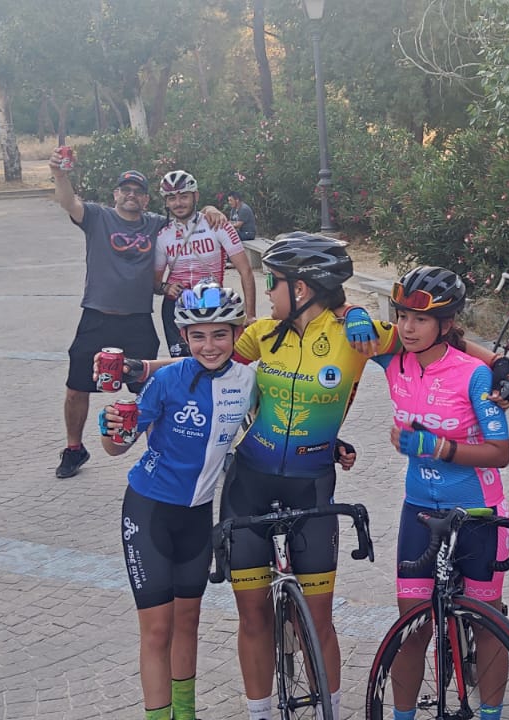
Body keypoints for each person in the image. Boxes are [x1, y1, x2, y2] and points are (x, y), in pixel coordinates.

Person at [222, 233, 396, 720]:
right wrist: (142, 370)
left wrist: (497, 369)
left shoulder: (355, 335)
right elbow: (206, 368)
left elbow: (432, 339)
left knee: (320, 620)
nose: (268, 292)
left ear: (302, 289)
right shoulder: (260, 334)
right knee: (252, 615)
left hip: (312, 485)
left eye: (273, 282)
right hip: (248, 484)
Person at [99, 283, 255, 720]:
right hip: (149, 510)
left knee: (188, 622)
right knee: (158, 629)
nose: (210, 345)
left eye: (220, 334)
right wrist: (111, 428)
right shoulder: (168, 380)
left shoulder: (247, 381)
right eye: (198, 336)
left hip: (197, 516)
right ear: (184, 337)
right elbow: (118, 448)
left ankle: (184, 715)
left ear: (236, 333)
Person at [380, 266, 509, 720]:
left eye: (419, 319)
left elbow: (500, 453)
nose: (407, 327)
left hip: (477, 510)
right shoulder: (393, 358)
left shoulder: (474, 376)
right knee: (412, 625)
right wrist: (357, 315)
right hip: (419, 509)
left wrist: (439, 447)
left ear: (448, 322)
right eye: (401, 316)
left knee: (486, 620)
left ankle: (491, 713)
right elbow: (339, 311)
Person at [50, 159, 169, 479]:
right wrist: (60, 174)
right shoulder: (97, 217)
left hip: (137, 321)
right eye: (125, 190)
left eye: (138, 192)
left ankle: (158, 452)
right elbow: (67, 201)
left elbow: (187, 221)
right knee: (76, 387)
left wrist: (210, 211)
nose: (131, 195)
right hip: (97, 318)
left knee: (150, 388)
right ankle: (74, 449)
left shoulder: (157, 223)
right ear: (115, 194)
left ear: (146, 199)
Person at [155, 170, 256, 358]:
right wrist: (165, 287)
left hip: (211, 300)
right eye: (171, 198)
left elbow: (246, 271)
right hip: (177, 305)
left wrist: (250, 315)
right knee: (182, 365)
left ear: (196, 196)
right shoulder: (163, 235)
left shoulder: (217, 224)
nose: (178, 203)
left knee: (215, 361)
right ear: (166, 202)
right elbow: (155, 282)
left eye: (184, 196)